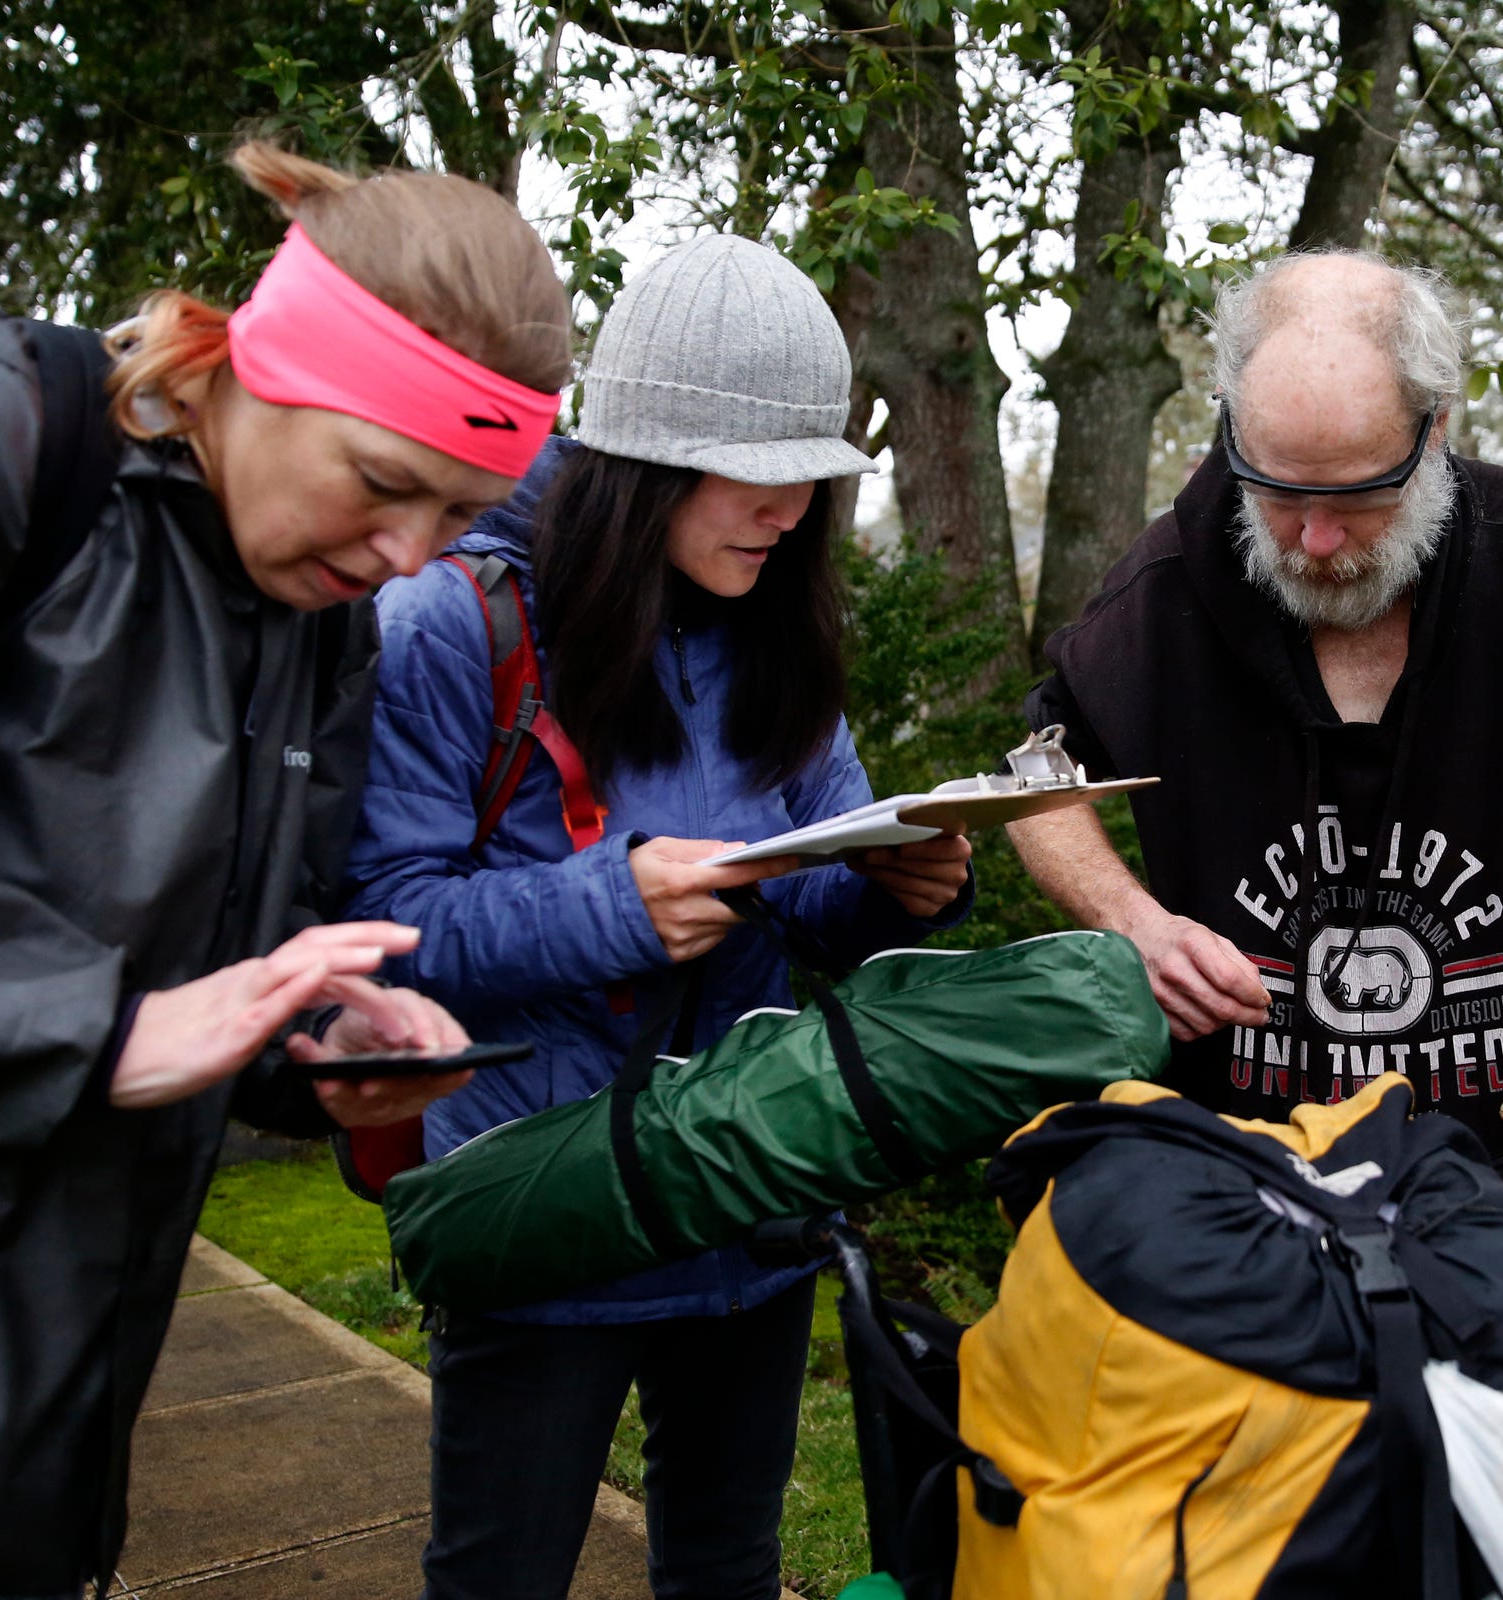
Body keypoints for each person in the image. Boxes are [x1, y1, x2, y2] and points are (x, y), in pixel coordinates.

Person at [0, 144, 572, 1597]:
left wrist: (313, 1040)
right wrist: (88, 1026)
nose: (411, 554)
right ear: (265, 364)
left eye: (464, 515)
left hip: (23, 1456)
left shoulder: (316, 615)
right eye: (384, 482)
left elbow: (222, 949)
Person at [1006, 250, 1503, 1438]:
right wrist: (1135, 923)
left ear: (1435, 429)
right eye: (1277, 493)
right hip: (1248, 1245)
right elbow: (1036, 778)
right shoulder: (1167, 590)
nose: (1317, 539)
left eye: (1358, 496)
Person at [344, 232, 975, 1600]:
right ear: (647, 462)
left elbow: (813, 906)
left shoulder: (778, 625)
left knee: (729, 1568)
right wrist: (613, 908)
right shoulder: (454, 623)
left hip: (751, 1203)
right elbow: (385, 929)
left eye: (813, 476)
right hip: (546, 1210)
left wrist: (897, 884)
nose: (791, 511)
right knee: (501, 1577)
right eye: (757, 474)